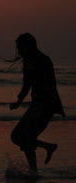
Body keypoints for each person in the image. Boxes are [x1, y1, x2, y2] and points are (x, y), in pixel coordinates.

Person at [9, 33, 65, 172]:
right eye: (18, 48)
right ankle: (47, 148)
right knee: (17, 136)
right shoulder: (28, 62)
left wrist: (41, 105)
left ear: (29, 46)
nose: (19, 51)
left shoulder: (43, 60)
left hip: (47, 105)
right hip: (37, 104)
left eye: (21, 47)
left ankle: (34, 171)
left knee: (25, 136)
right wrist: (18, 101)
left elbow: (50, 84)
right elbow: (26, 84)